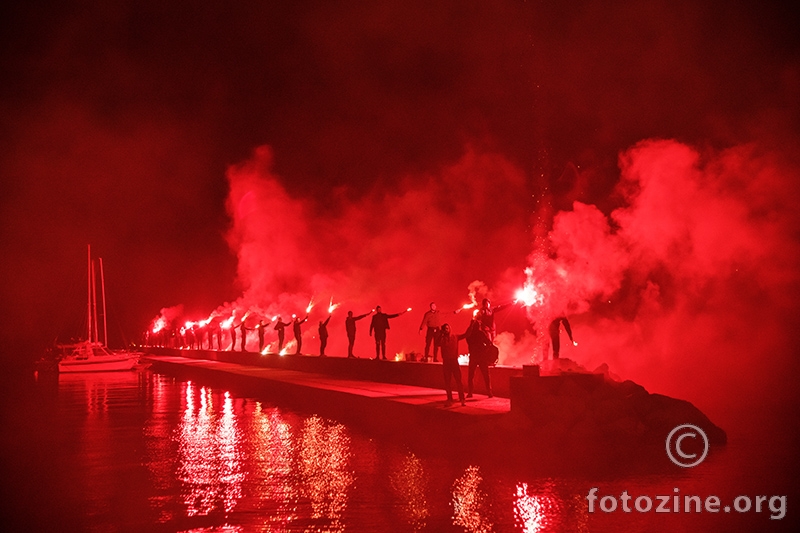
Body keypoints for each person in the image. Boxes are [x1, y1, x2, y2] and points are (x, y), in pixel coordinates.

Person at [462, 319, 493, 398]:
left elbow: (466, 336)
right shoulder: (480, 333)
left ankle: (470, 392)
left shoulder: (471, 334)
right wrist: (485, 350)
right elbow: (489, 343)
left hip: (474, 356)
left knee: (471, 375)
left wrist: (470, 326)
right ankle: (489, 392)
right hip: (480, 356)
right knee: (485, 375)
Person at [438, 323, 466, 406]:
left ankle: (462, 398)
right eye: (445, 328)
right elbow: (437, 343)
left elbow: (466, 335)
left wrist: (472, 323)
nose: (446, 329)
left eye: (447, 328)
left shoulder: (455, 337)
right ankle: (449, 398)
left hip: (454, 361)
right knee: (447, 381)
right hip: (446, 362)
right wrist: (440, 334)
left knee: (459, 381)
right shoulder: (442, 339)